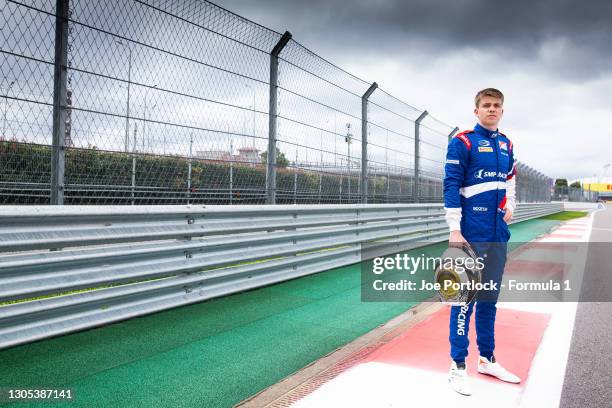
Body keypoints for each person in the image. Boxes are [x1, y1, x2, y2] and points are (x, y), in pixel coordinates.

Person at [443, 88, 521, 396]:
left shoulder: (506, 143)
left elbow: (511, 178)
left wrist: (511, 205)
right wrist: (454, 227)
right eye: (486, 105)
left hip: (497, 234)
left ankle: (487, 358)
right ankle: (457, 365)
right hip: (469, 233)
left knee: (489, 300)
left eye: (497, 105)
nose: (492, 109)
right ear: (476, 111)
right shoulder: (463, 142)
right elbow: (450, 183)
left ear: (502, 110)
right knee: (462, 300)